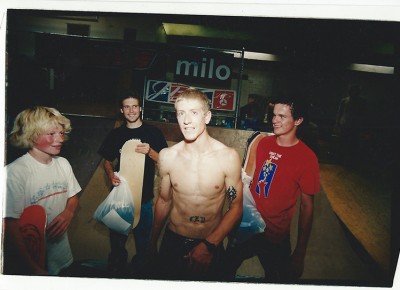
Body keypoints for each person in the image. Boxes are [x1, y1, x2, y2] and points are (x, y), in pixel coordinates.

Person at [148, 88, 243, 281]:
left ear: (207, 117)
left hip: (211, 241)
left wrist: (209, 245)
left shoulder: (228, 157)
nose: (186, 120)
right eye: (181, 113)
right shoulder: (168, 156)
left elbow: (236, 207)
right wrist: (151, 243)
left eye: (194, 113)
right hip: (173, 240)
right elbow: (164, 201)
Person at [224, 94, 320, 283]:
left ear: (298, 120)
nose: (274, 120)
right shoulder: (263, 143)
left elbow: (307, 208)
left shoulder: (307, 158)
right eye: (274, 114)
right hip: (247, 227)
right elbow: (247, 182)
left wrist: (300, 253)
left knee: (279, 280)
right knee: (221, 271)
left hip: (275, 235)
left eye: (282, 116)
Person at [97, 90, 168, 277]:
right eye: (127, 107)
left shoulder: (153, 132)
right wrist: (111, 175)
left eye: (134, 106)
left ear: (140, 108)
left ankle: (140, 273)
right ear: (122, 110)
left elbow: (165, 160)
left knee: (143, 242)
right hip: (120, 197)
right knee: (117, 242)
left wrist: (151, 151)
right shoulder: (115, 134)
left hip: (144, 198)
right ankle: (117, 270)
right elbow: (107, 161)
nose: (131, 110)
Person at [3, 106, 81, 276]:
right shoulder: (15, 172)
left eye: (61, 133)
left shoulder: (63, 164)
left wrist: (68, 212)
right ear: (31, 135)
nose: (60, 139)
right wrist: (33, 268)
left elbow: (73, 197)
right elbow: (9, 225)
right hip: (29, 263)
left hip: (61, 256)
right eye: (51, 134)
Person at [334, 84, 368, 164]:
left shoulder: (362, 102)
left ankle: (351, 161)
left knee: (353, 143)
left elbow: (364, 115)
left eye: (355, 91)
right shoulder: (345, 100)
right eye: (352, 90)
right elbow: (339, 112)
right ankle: (342, 160)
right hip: (345, 124)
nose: (353, 92)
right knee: (343, 142)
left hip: (355, 125)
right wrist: (337, 124)